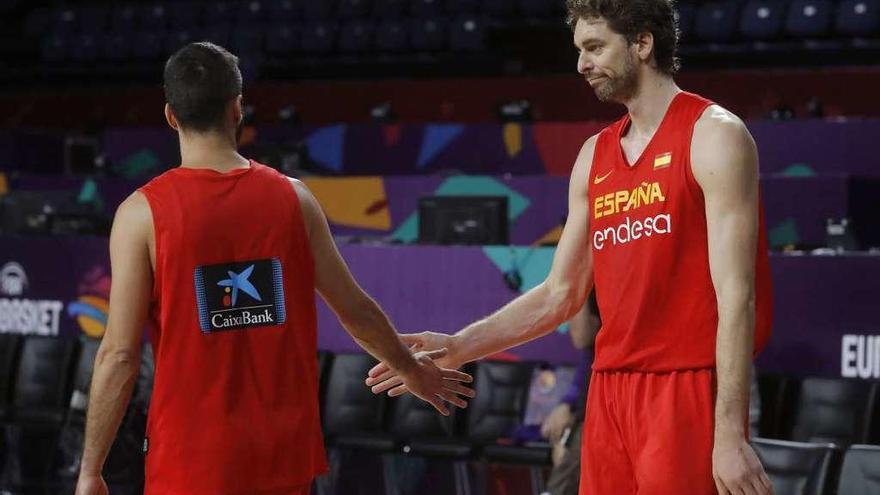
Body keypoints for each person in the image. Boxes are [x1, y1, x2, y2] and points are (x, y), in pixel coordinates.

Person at [366, 1, 775, 493]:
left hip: (686, 387)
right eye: (579, 50)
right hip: (609, 391)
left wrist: (729, 433)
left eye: (595, 47)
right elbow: (559, 293)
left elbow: (738, 297)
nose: (581, 64)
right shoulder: (593, 156)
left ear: (643, 44)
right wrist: (459, 346)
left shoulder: (715, 136)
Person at [74, 42, 474, 495]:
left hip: (192, 460)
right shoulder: (294, 199)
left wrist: (91, 469)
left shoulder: (140, 215)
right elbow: (355, 309)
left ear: (170, 116)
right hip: (283, 457)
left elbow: (120, 355)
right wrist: (410, 369)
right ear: (237, 108)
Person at [540, 295, 600, 495]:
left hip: (627, 398)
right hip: (591, 403)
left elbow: (583, 337)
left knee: (577, 449)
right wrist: (567, 403)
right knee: (564, 444)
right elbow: (586, 346)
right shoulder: (591, 282)